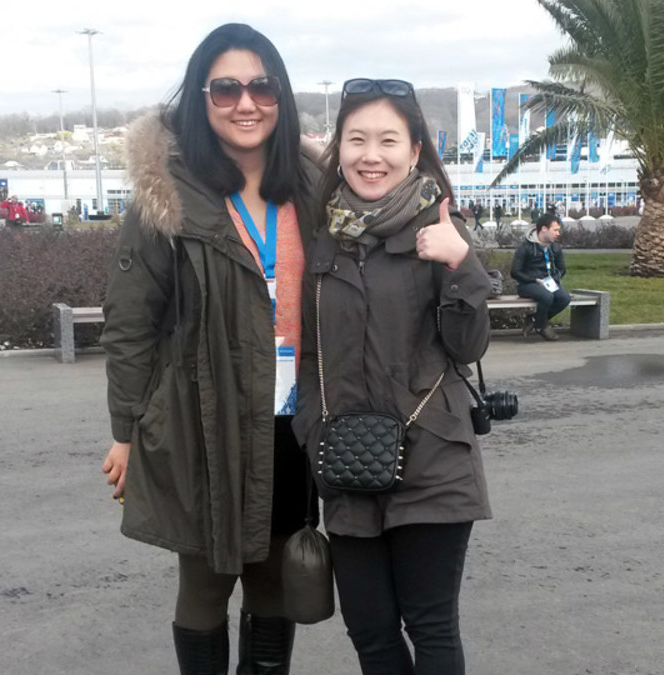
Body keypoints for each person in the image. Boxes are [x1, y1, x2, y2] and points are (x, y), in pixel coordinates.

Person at [99, 23, 320, 674]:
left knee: (276, 579)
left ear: (281, 96)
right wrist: (125, 431)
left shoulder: (311, 187)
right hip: (205, 417)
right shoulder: (170, 196)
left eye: (261, 86)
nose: (245, 103)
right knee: (205, 581)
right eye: (226, 88)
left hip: (293, 422)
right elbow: (130, 321)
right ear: (201, 98)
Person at [293, 77, 491, 675]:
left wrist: (461, 263)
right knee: (371, 633)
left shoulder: (439, 232)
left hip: (433, 460)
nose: (370, 155)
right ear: (338, 148)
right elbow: (307, 351)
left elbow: (467, 344)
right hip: (349, 462)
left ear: (414, 150)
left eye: (387, 140)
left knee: (430, 629)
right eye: (356, 139)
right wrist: (312, 426)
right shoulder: (323, 239)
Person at [511, 214, 570, 341]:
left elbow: (562, 269)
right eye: (555, 230)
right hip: (527, 284)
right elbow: (515, 272)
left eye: (558, 230)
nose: (558, 233)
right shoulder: (525, 247)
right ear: (544, 229)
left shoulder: (555, 248)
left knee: (564, 298)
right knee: (547, 296)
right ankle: (541, 327)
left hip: (549, 282)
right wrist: (535, 280)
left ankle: (534, 319)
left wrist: (554, 279)